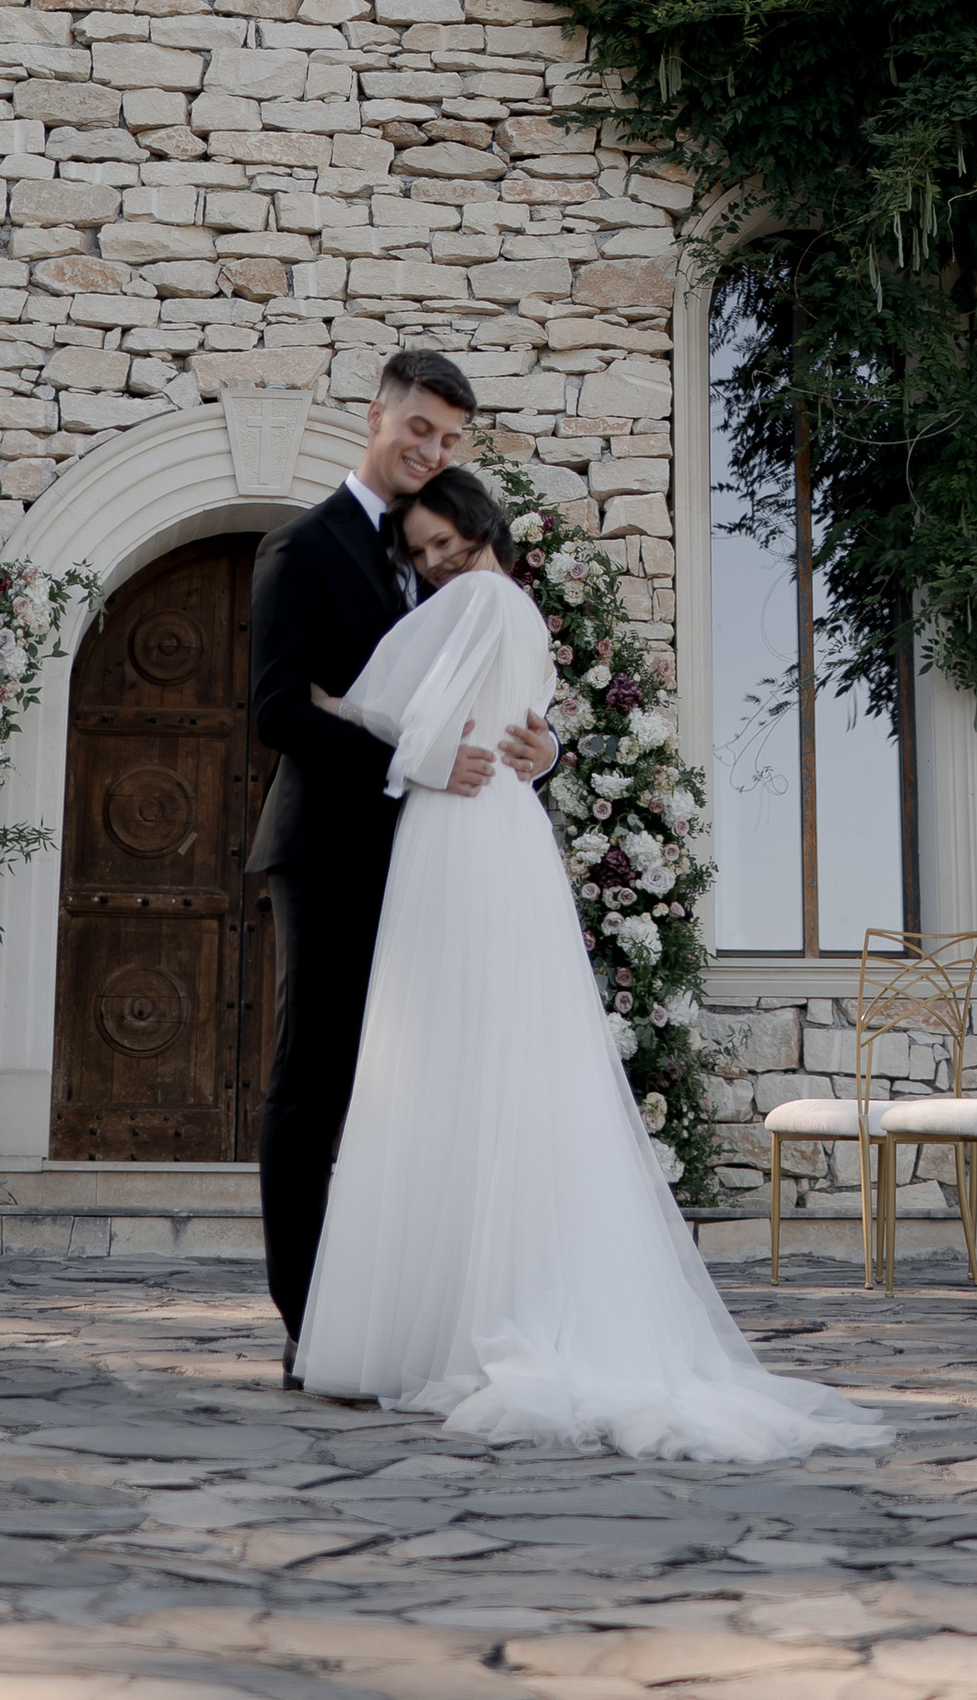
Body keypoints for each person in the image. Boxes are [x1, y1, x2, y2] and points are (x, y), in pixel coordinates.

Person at [292, 464, 889, 1461]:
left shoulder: (479, 597)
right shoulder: (515, 609)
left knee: (446, 1054)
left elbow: (397, 717)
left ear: (480, 526)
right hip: (501, 833)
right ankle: (486, 1296)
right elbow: (500, 721)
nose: (438, 563)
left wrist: (341, 707)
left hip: (462, 829)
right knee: (498, 1059)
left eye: (447, 540)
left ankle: (446, 1318)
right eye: (422, 551)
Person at [248, 350, 556, 1376]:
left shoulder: (451, 553)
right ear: (377, 416)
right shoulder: (303, 547)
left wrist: (546, 750)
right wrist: (408, 756)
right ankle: (311, 1328)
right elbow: (278, 709)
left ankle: (404, 1321)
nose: (431, 450)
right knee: (317, 1086)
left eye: (449, 438)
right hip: (330, 853)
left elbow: (493, 703)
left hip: (436, 863)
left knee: (421, 1090)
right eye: (418, 428)